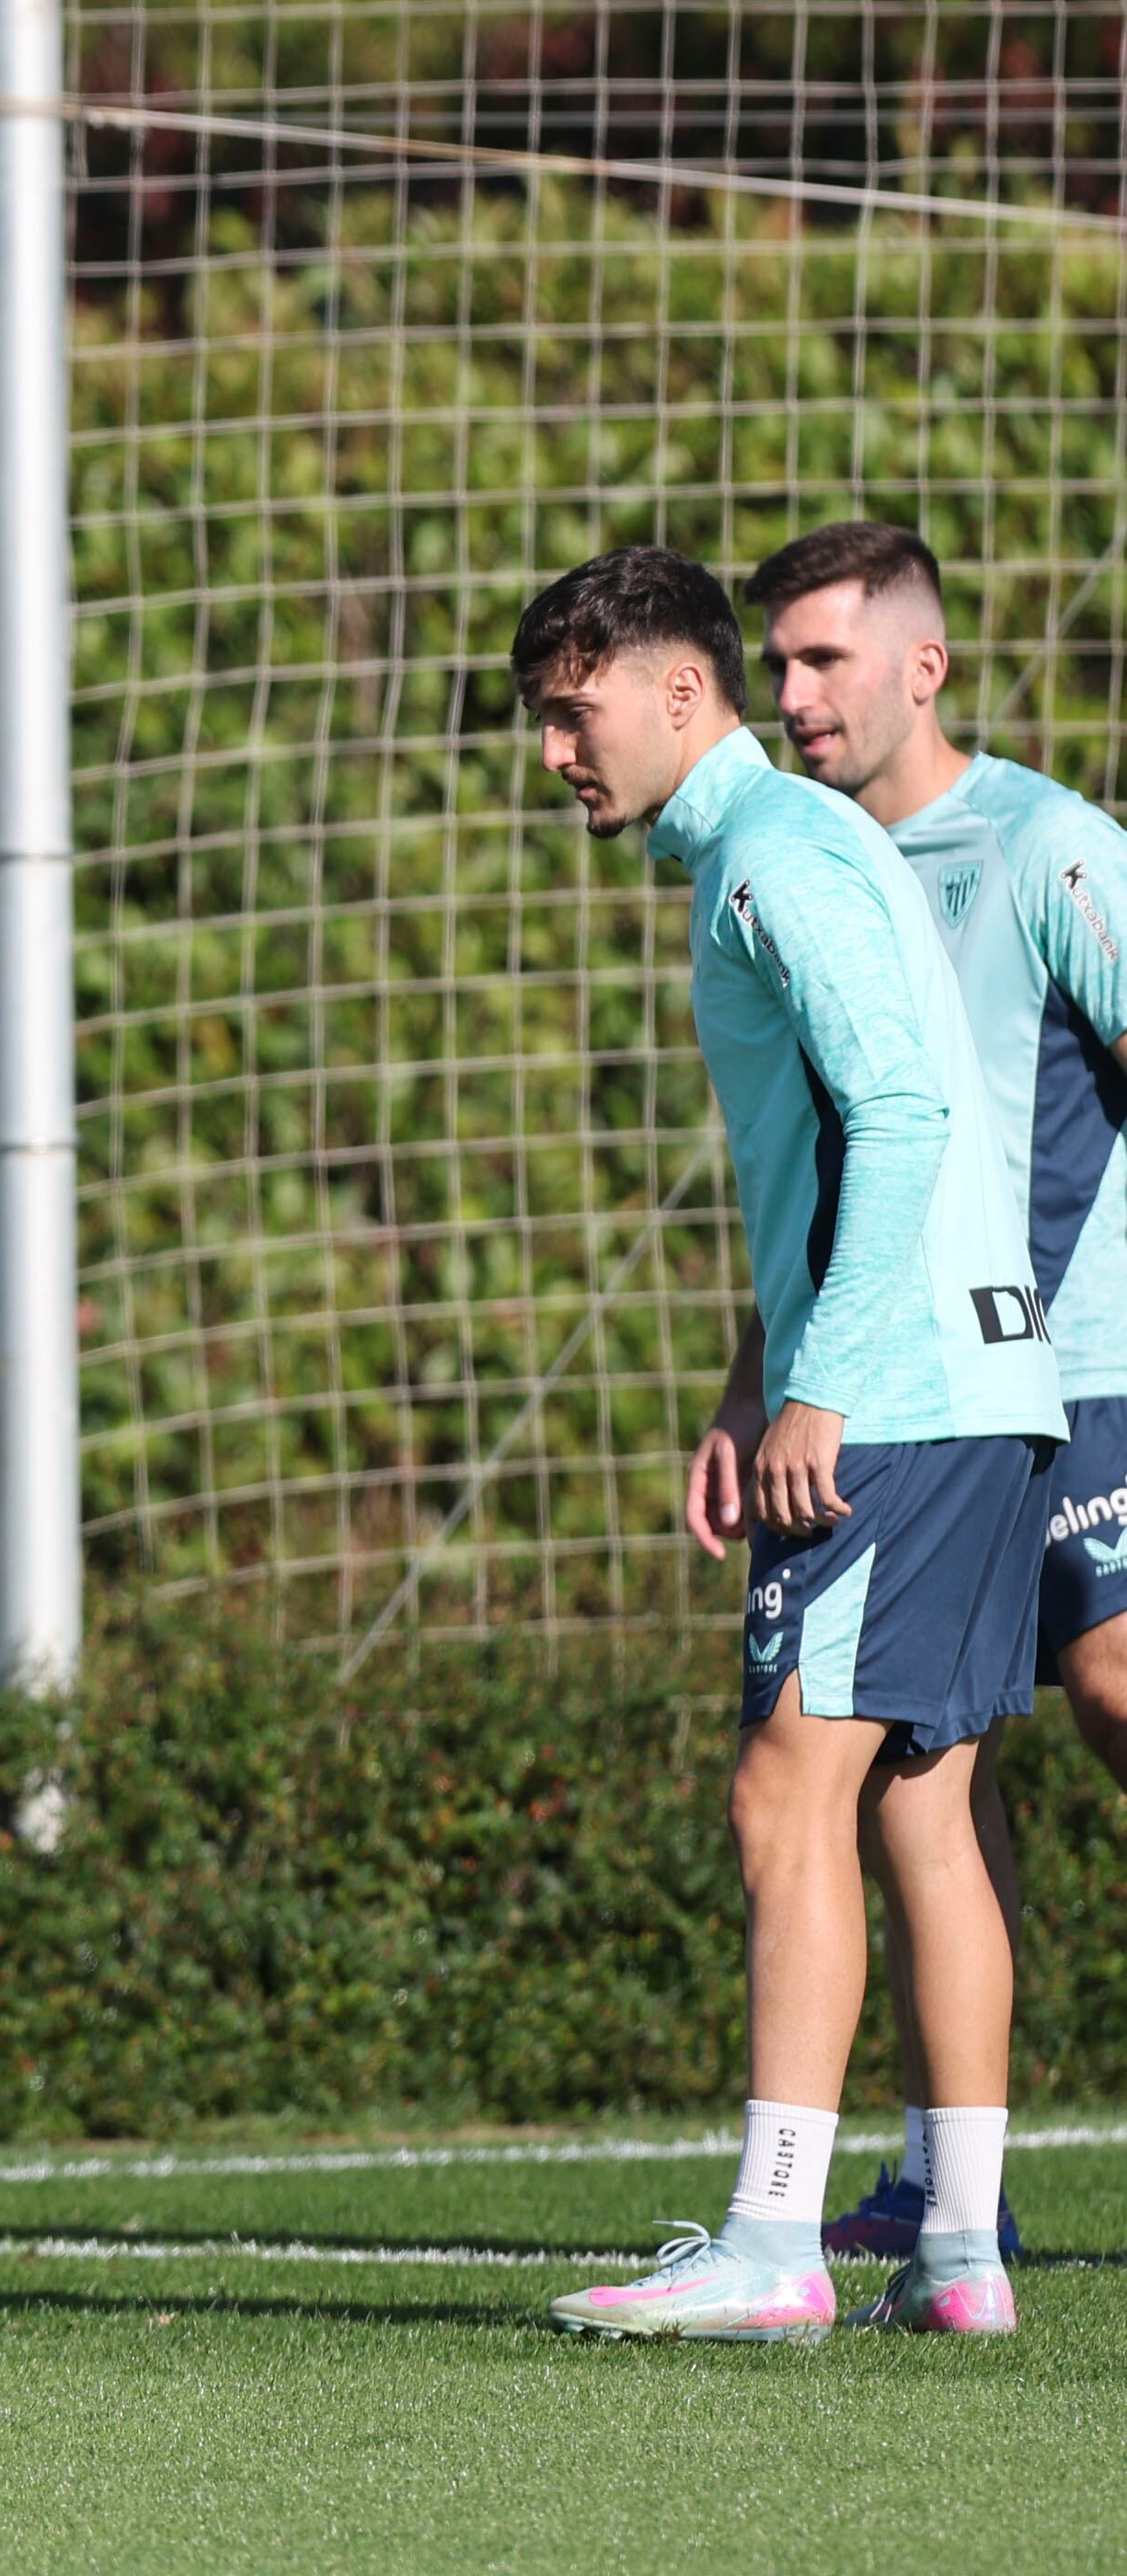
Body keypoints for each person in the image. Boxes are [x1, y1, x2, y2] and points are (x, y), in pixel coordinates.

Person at [518, 547, 1056, 2344]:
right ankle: (963, 2255)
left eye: (568, 712)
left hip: (895, 1401)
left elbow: (897, 1109)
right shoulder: (796, 848)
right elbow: (846, 1137)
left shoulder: (765, 854)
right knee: (916, 1807)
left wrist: (816, 1388)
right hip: (974, 1386)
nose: (551, 755)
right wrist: (758, 1374)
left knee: (780, 1788)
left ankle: (767, 2247)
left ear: (676, 693)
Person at [732, 519, 1127, 2279]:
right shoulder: (806, 865)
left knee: (1108, 1687)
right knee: (920, 1768)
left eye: (825, 660)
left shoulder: (1047, 849)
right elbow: (807, 1162)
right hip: (904, 1391)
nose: (795, 695)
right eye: (780, 666)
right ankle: (939, 2185)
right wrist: (753, 1380)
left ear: (923, 665)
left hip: (1087, 1360)